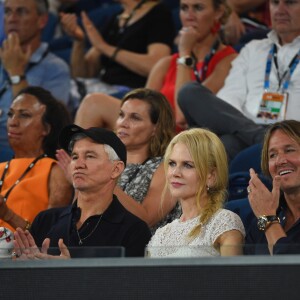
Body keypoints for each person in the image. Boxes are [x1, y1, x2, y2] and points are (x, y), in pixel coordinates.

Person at [74, 0, 237, 131]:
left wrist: (185, 53)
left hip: (183, 141)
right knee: (93, 103)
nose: (189, 16)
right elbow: (141, 110)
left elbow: (184, 116)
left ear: (218, 12)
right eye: (184, 8)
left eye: (198, 8)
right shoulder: (166, 63)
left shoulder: (228, 60)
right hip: (152, 132)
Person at [178, 0, 300, 160]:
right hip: (248, 131)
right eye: (275, 3)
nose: (280, 10)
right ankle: (265, 138)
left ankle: (267, 140)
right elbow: (230, 97)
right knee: (189, 92)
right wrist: (242, 127)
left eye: (290, 3)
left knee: (222, 146)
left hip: (293, 135)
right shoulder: (253, 49)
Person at [13, 125, 151, 259]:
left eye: (90, 156)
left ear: (116, 169)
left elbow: (129, 282)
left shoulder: (135, 231)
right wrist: (24, 270)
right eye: (74, 157)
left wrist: (70, 273)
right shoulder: (45, 221)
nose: (78, 164)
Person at [58, 88, 180, 233]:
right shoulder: (101, 163)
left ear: (156, 128)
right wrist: (80, 184)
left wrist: (101, 181)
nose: (123, 123)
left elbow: (146, 220)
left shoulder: (168, 166)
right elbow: (77, 220)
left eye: (135, 118)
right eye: (121, 115)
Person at [147, 128, 245, 257]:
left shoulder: (224, 222)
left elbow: (233, 276)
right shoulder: (161, 234)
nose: (175, 173)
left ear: (211, 176)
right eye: (172, 163)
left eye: (188, 165)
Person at [60, 0, 175, 101]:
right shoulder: (115, 18)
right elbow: (82, 74)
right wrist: (78, 41)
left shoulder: (158, 13)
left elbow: (155, 65)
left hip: (132, 94)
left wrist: (106, 48)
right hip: (102, 89)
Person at [0, 0, 71, 161]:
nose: (12, 18)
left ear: (42, 20)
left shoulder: (56, 69)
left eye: (22, 12)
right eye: (8, 12)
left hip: (19, 155)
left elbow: (49, 126)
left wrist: (16, 73)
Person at [0, 86, 73, 232]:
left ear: (46, 129)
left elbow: (50, 238)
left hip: (24, 254)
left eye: (24, 115)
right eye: (10, 114)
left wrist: (8, 215)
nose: (13, 122)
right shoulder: (1, 167)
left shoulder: (56, 172)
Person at [246, 120, 300, 255]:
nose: (280, 161)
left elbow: (292, 272)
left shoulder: (265, 213)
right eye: (272, 155)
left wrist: (269, 220)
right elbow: (245, 272)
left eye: (289, 150)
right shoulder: (263, 215)